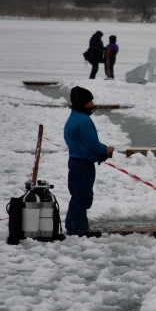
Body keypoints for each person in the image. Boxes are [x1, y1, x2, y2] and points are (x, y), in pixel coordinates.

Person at [63, 86, 114, 237]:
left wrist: (97, 154)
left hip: (75, 160)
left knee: (77, 194)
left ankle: (74, 226)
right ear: (81, 103)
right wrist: (105, 150)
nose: (92, 104)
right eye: (89, 101)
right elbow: (91, 143)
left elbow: (79, 143)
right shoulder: (84, 120)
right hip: (82, 163)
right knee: (82, 195)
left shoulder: (73, 117)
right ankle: (79, 229)